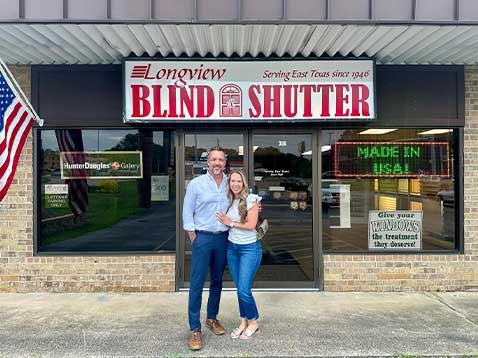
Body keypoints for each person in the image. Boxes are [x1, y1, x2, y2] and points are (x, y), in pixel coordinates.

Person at [182, 146, 229, 351]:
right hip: (202, 238)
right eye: (213, 159)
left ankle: (211, 318)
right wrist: (194, 237)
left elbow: (242, 204)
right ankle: (194, 328)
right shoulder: (196, 184)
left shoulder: (231, 183)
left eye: (220, 160)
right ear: (207, 162)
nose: (217, 163)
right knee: (197, 283)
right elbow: (187, 212)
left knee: (217, 280)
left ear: (225, 163)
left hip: (223, 238)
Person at [216, 170, 262, 340]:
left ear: (243, 184)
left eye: (239, 181)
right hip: (232, 249)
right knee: (240, 289)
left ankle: (254, 322)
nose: (235, 184)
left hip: (249, 249)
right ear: (229, 184)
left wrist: (231, 223)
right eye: (232, 181)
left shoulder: (251, 199)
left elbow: (251, 225)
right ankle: (243, 322)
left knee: (243, 290)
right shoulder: (229, 201)